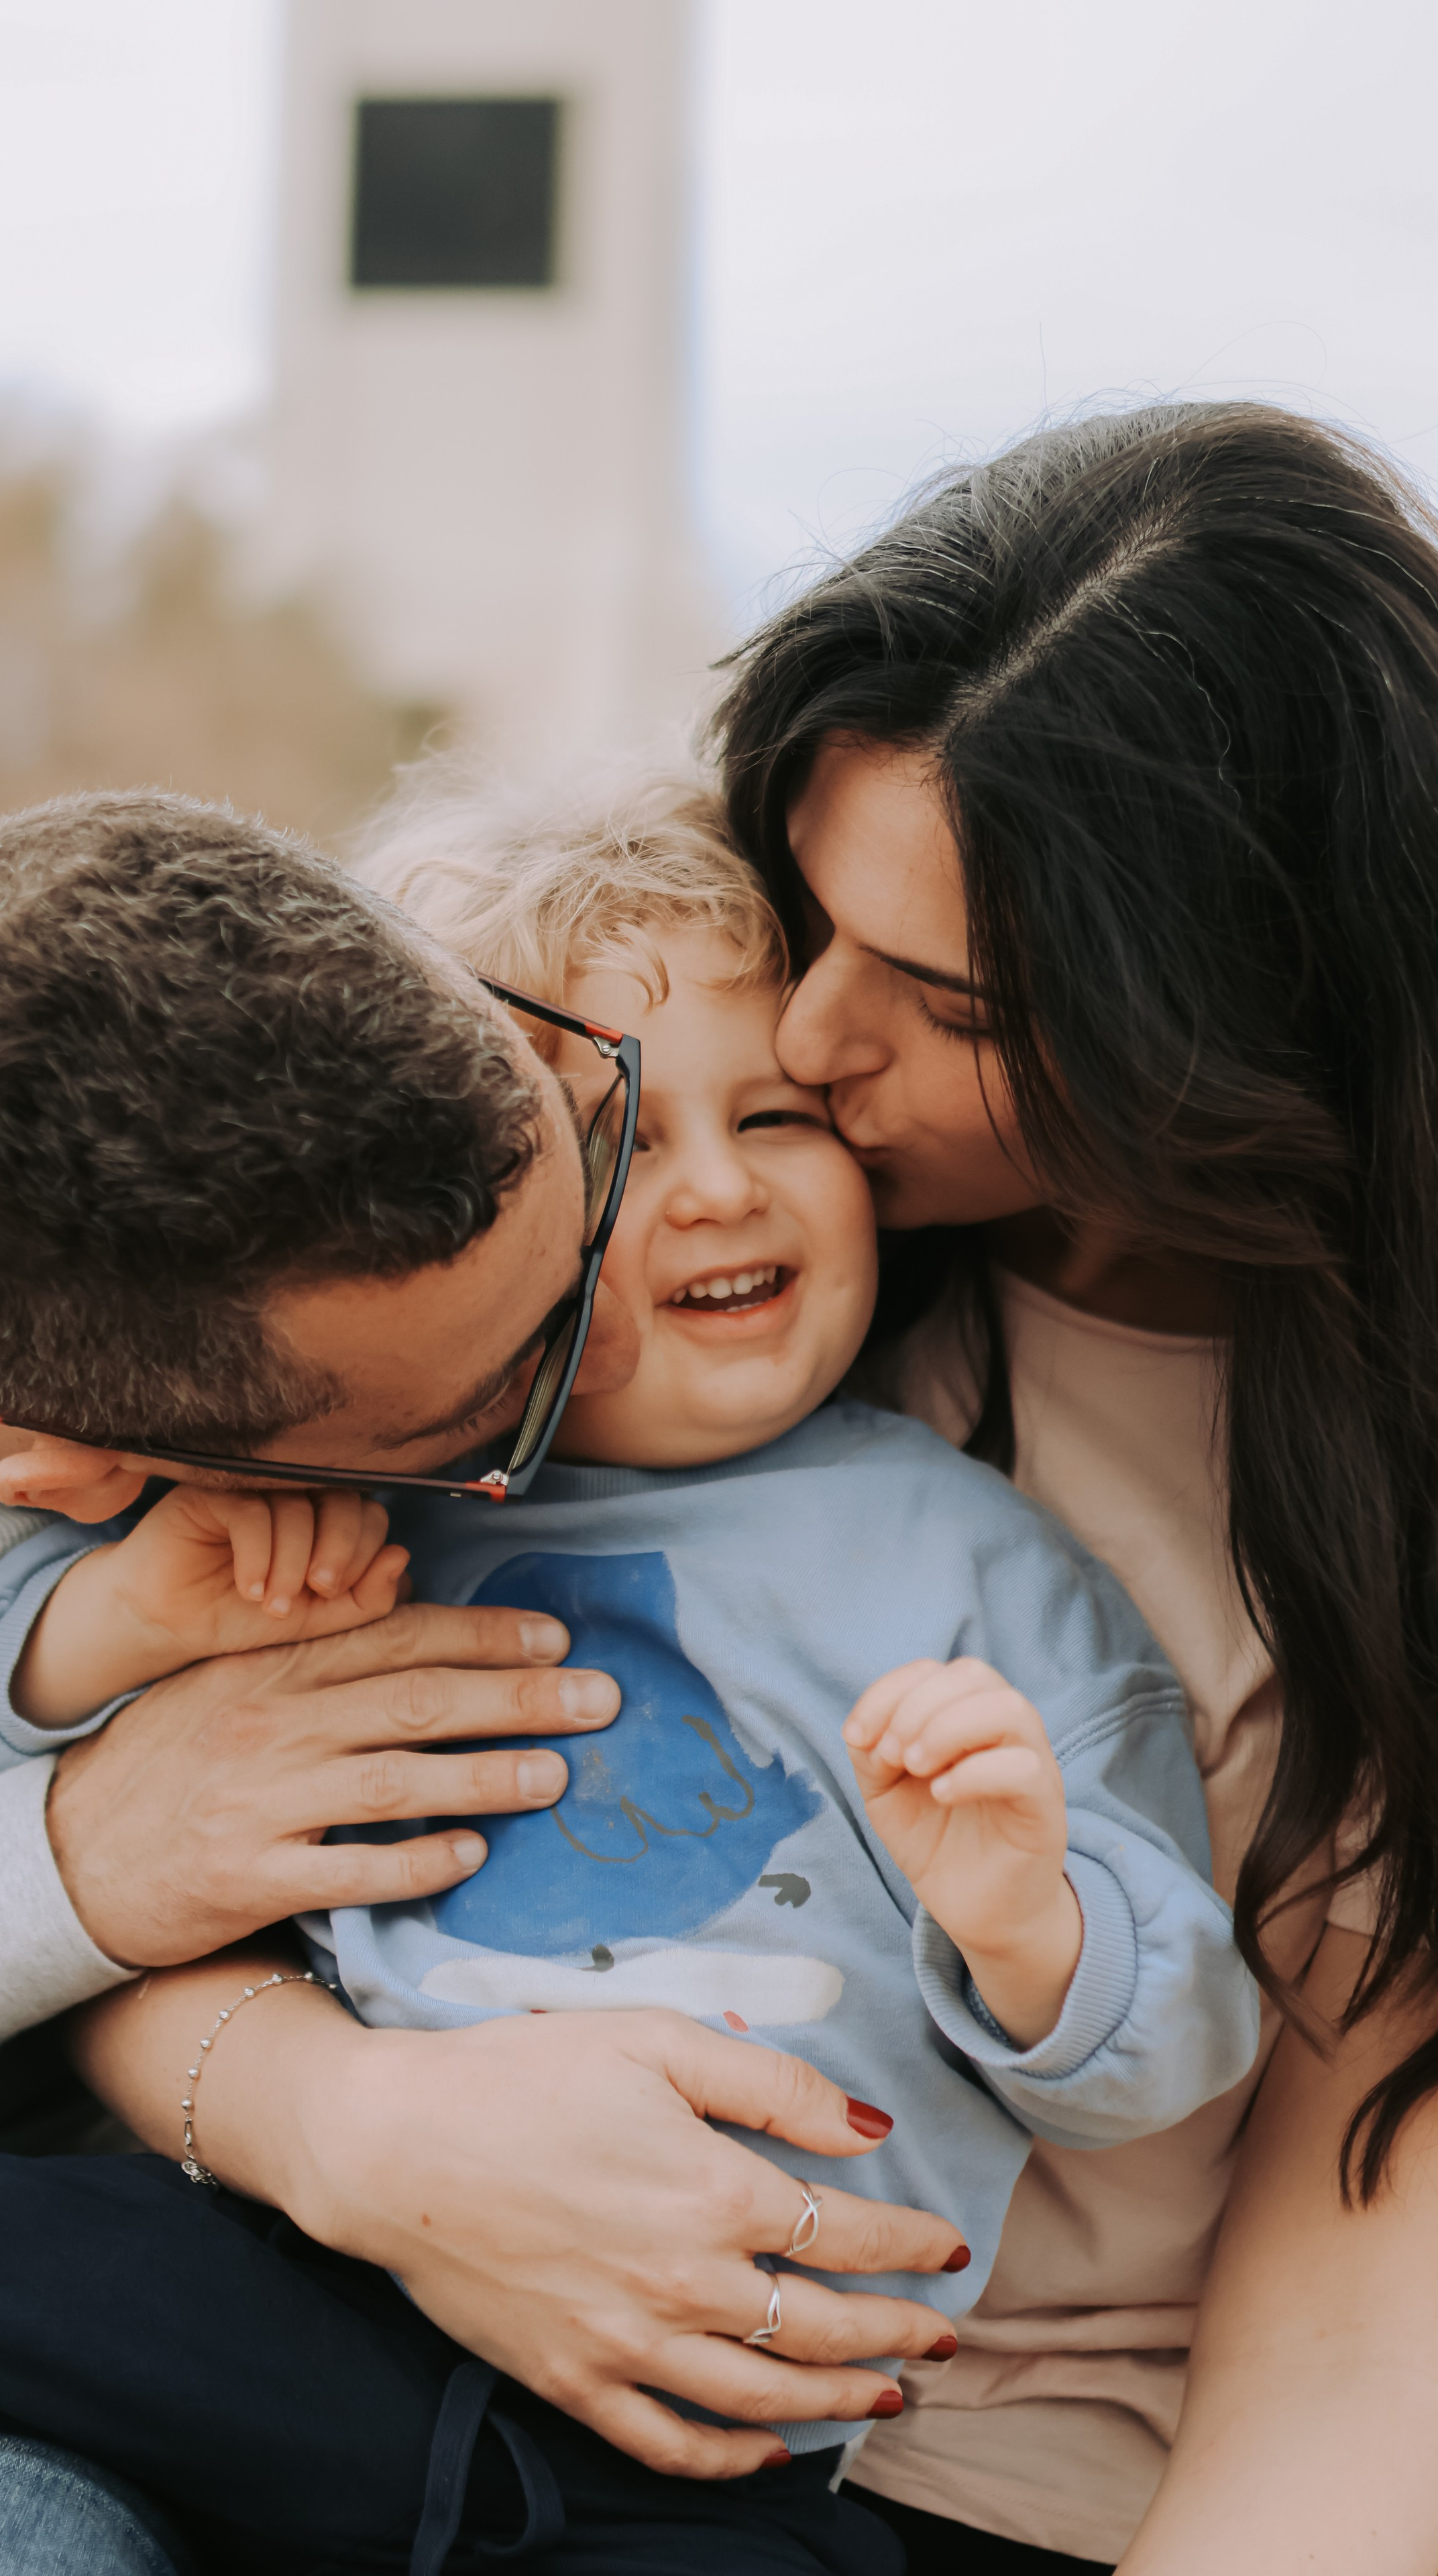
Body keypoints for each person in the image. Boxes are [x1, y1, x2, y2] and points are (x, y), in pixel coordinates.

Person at [0, 787, 1258, 2573]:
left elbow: (1173, 2031)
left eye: (771, 1116)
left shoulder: (972, 1556)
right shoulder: (336, 1514)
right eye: (621, 1165)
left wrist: (1024, 1924)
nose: (706, 1200)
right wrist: (125, 1631)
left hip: (710, 2406)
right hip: (284, 2276)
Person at [708, 398, 1438, 2569]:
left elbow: (1352, 2341)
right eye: (808, 909)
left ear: (1224, 1030)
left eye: (949, 1002)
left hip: (977, 2491)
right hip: (404, 2330)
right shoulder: (684, 1187)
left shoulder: (1381, 1525)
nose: (811, 1040)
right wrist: (347, 2125)